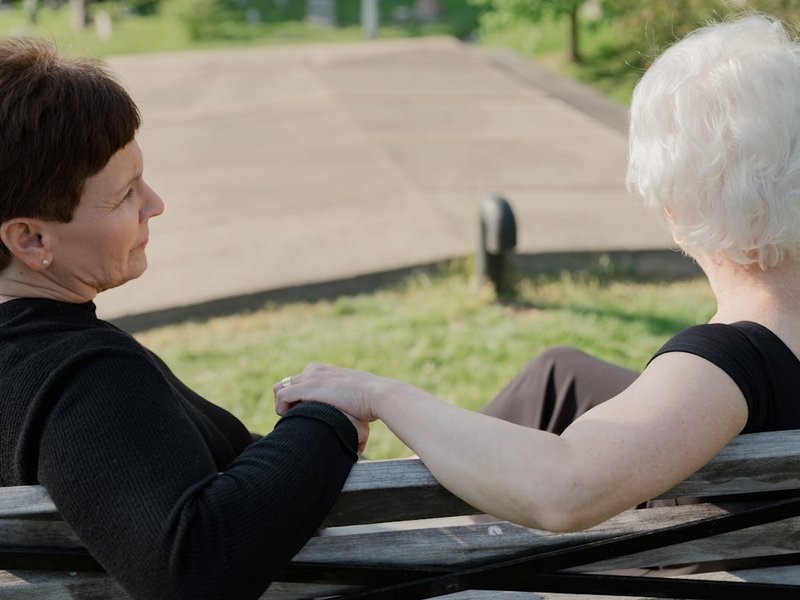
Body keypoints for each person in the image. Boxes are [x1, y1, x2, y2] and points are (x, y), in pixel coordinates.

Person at [274, 14, 800, 536]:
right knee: (560, 372)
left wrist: (381, 394)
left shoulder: (730, 364)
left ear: (678, 211)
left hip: (694, 570)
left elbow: (563, 490)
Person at [0, 38, 369, 600]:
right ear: (31, 238)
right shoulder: (79, 375)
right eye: (125, 195)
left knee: (558, 373)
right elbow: (191, 564)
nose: (155, 204)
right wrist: (328, 420)